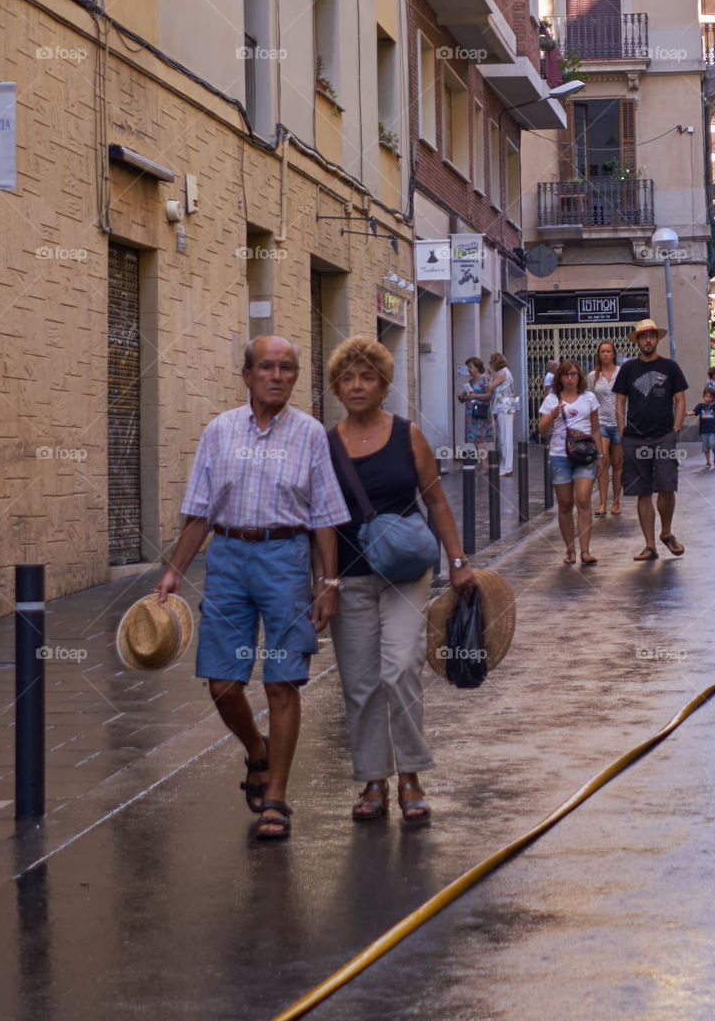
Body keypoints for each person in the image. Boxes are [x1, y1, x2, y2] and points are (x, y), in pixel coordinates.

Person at [154, 335, 350, 841]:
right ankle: (256, 751)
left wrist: (327, 581)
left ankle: (277, 796)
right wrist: (175, 569)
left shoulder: (310, 435)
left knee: (282, 681)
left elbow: (325, 517)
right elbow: (200, 512)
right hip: (227, 558)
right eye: (267, 367)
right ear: (246, 375)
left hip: (286, 558)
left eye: (287, 368)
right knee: (222, 682)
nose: (278, 376)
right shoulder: (219, 432)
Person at [325, 336, 476, 825]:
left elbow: (435, 501)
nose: (357, 385)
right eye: (348, 378)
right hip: (350, 577)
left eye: (367, 376)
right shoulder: (328, 443)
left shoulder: (407, 435)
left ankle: (410, 773)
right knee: (361, 683)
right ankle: (373, 779)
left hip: (407, 574)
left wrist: (458, 562)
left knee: (401, 668)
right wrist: (324, 581)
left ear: (384, 384)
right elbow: (321, 519)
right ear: (337, 386)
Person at [613, 319, 688, 561]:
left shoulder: (670, 367)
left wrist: (676, 430)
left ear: (657, 339)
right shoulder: (628, 369)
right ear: (637, 340)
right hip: (635, 437)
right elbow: (620, 402)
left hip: (664, 434)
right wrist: (622, 431)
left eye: (651, 336)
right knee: (642, 491)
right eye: (643, 336)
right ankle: (649, 545)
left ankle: (666, 532)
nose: (648, 340)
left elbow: (680, 400)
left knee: (667, 484)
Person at [538, 359, 604, 565]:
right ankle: (570, 551)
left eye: (573, 374)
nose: (570, 378)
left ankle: (585, 551)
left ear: (579, 376)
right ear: (560, 378)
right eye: (566, 374)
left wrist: (601, 456)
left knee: (583, 499)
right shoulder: (551, 400)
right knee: (565, 504)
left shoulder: (589, 398)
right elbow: (541, 431)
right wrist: (552, 415)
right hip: (559, 455)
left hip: (585, 454)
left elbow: (595, 428)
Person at [587, 339, 622, 516]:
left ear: (614, 353)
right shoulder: (593, 376)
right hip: (601, 423)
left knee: (617, 464)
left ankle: (616, 502)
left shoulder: (621, 373)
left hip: (619, 422)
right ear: (599, 355)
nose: (606, 354)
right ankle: (602, 502)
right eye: (603, 352)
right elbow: (589, 400)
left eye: (609, 351)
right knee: (603, 461)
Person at [457, 356, 493, 470]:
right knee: (476, 441)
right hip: (471, 414)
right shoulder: (470, 382)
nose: (469, 369)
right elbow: (464, 398)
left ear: (477, 367)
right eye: (468, 367)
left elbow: (489, 395)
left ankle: (485, 465)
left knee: (481, 440)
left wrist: (475, 396)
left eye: (470, 367)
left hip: (480, 413)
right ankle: (481, 463)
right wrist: (462, 397)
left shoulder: (485, 379)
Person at [488, 352, 518, 476]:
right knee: (503, 437)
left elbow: (490, 387)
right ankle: (505, 465)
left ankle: (507, 467)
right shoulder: (502, 373)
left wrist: (490, 374)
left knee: (505, 438)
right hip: (503, 407)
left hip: (505, 408)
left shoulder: (503, 373)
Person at [692, 386, 715, 467]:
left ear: (713, 398)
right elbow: (694, 412)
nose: (708, 398)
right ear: (703, 396)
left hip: (713, 429)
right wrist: (686, 413)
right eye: (706, 396)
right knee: (705, 446)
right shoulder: (700, 406)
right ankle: (708, 461)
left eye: (710, 397)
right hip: (703, 430)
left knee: (712, 444)